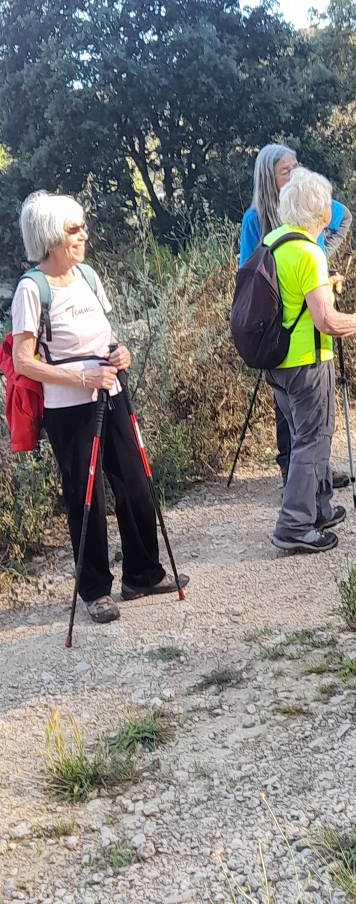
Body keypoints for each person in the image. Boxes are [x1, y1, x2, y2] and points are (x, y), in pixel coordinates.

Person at [11, 191, 189, 624]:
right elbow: (23, 361)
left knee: (135, 481)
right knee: (84, 496)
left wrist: (119, 352)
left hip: (111, 392)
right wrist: (81, 377)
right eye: (75, 229)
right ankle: (94, 590)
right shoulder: (31, 290)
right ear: (52, 237)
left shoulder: (88, 276)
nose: (84, 235)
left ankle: (142, 574)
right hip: (69, 408)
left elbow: (105, 337)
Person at [263, 167, 356, 552]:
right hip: (307, 360)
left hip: (277, 359)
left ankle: (318, 508)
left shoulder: (275, 241)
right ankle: (295, 525)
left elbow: (291, 296)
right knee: (312, 440)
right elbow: (327, 321)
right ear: (321, 212)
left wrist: (323, 287)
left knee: (306, 436)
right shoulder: (309, 252)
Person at [239, 143, 353, 487]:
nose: (294, 175)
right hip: (278, 322)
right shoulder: (255, 219)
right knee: (288, 402)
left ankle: (317, 471)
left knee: (317, 402)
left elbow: (342, 216)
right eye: (286, 171)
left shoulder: (308, 200)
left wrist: (322, 254)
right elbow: (247, 270)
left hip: (313, 313)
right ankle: (293, 471)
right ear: (269, 178)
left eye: (295, 166)